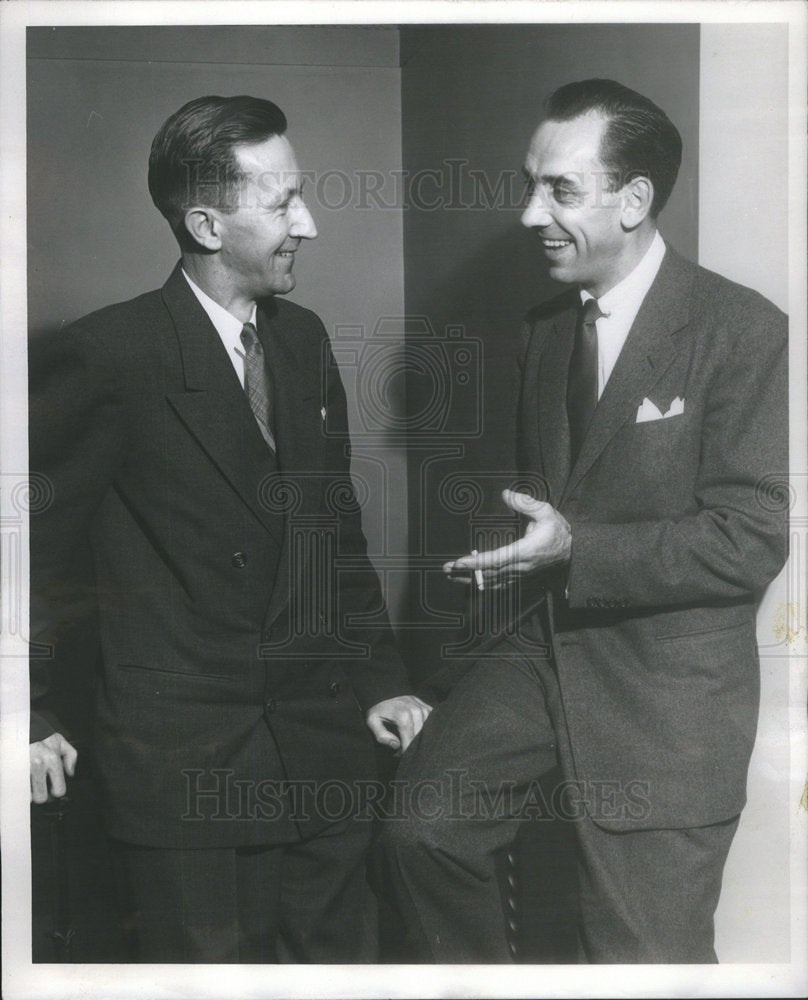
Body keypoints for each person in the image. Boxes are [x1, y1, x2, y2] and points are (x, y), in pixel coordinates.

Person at [382, 79, 788, 963]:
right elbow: (541, 524)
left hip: (666, 696)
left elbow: (752, 537)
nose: (531, 214)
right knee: (425, 826)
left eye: (560, 190)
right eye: (531, 185)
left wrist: (578, 548)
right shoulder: (544, 332)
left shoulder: (743, 330)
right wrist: (450, 674)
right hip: (540, 653)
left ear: (634, 200)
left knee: (642, 961)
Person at [28, 94, 430, 963]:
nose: (309, 224)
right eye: (284, 204)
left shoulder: (304, 340)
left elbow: (334, 537)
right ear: (206, 225)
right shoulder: (107, 353)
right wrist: (23, 712)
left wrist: (382, 681)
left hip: (322, 753)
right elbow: (27, 550)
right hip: (184, 770)